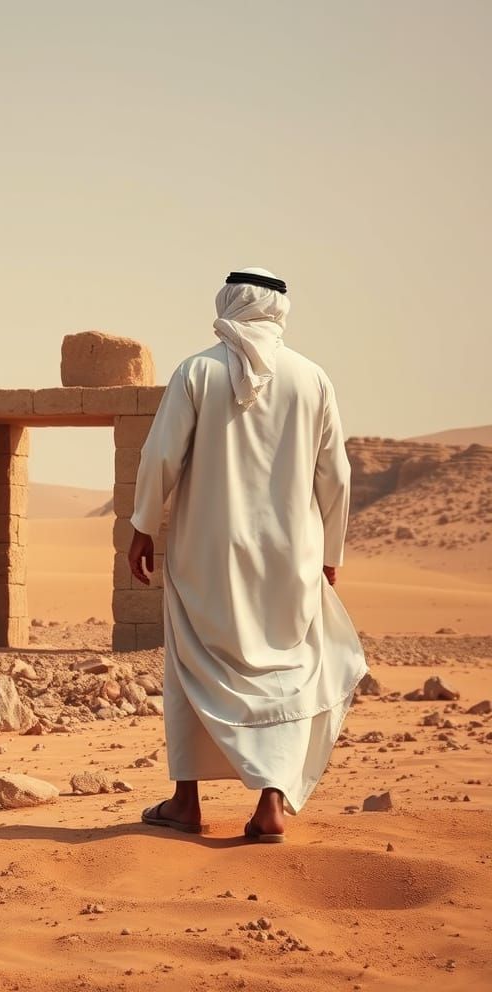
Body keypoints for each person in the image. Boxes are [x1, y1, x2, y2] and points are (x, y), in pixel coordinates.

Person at [128, 268, 366, 842]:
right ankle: (272, 804)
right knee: (288, 668)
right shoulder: (313, 379)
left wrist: (141, 527)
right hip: (291, 555)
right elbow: (335, 475)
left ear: (229, 302)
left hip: (206, 551)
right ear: (279, 311)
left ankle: (186, 801)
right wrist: (330, 550)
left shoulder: (197, 371)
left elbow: (162, 456)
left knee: (191, 661)